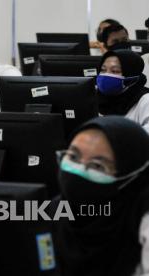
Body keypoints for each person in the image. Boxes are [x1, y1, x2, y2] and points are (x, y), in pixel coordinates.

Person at [54, 116, 149, 276]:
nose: (78, 170)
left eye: (97, 166)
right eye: (73, 157)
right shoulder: (53, 210)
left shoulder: (142, 220)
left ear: (130, 177)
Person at [96, 49, 149, 132]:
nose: (106, 75)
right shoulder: (94, 98)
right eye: (103, 70)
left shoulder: (145, 101)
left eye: (115, 71)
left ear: (131, 77)